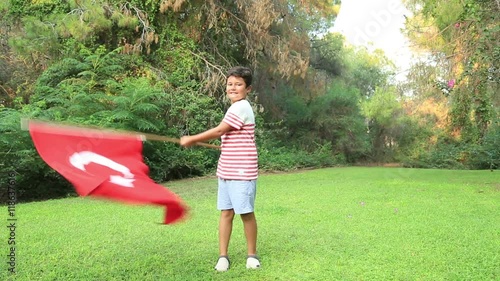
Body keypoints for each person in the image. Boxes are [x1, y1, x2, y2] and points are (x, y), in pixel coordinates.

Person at [180, 66, 260, 272]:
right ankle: (223, 256)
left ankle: (252, 255)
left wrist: (192, 138)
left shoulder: (241, 107)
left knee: (246, 213)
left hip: (242, 172)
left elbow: (220, 130)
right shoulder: (234, 108)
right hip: (226, 170)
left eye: (239, 84)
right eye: (230, 84)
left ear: (248, 88)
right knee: (226, 213)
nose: (233, 88)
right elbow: (229, 136)